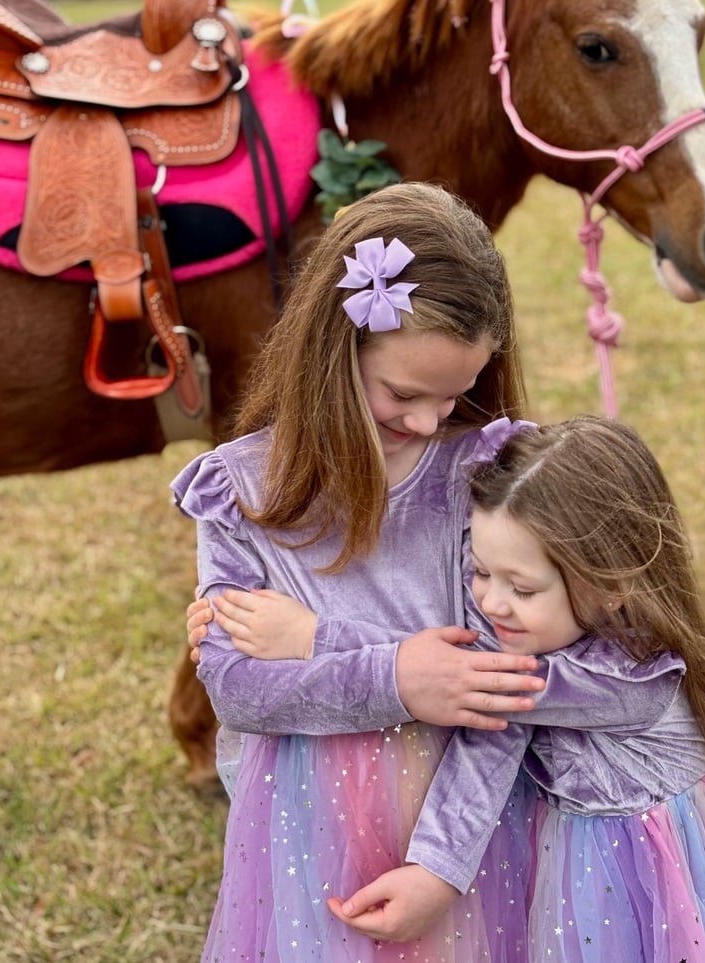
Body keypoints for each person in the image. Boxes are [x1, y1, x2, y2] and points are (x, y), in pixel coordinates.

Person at [171, 182, 546, 962]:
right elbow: (237, 687)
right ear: (334, 351)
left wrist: (441, 865)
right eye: (403, 393)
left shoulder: (479, 471)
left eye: (457, 394)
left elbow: (505, 678)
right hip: (311, 821)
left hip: (464, 824)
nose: (428, 420)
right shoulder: (242, 490)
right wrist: (398, 677)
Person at [237, 415, 705, 961]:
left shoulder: (623, 680)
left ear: (611, 586)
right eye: (481, 572)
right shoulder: (541, 639)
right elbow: (481, 716)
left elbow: (459, 673)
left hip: (637, 878)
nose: (493, 604)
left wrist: (313, 636)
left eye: (522, 589)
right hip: (577, 858)